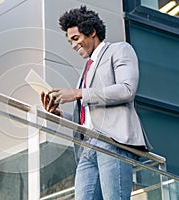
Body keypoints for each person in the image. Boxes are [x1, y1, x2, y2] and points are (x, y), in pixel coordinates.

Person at [40, 5, 152, 200]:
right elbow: (87, 118)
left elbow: (127, 89)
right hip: (87, 149)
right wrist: (59, 115)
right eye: (70, 42)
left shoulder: (119, 50)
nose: (73, 45)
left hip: (112, 142)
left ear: (91, 32)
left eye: (75, 39)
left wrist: (76, 93)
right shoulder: (86, 70)